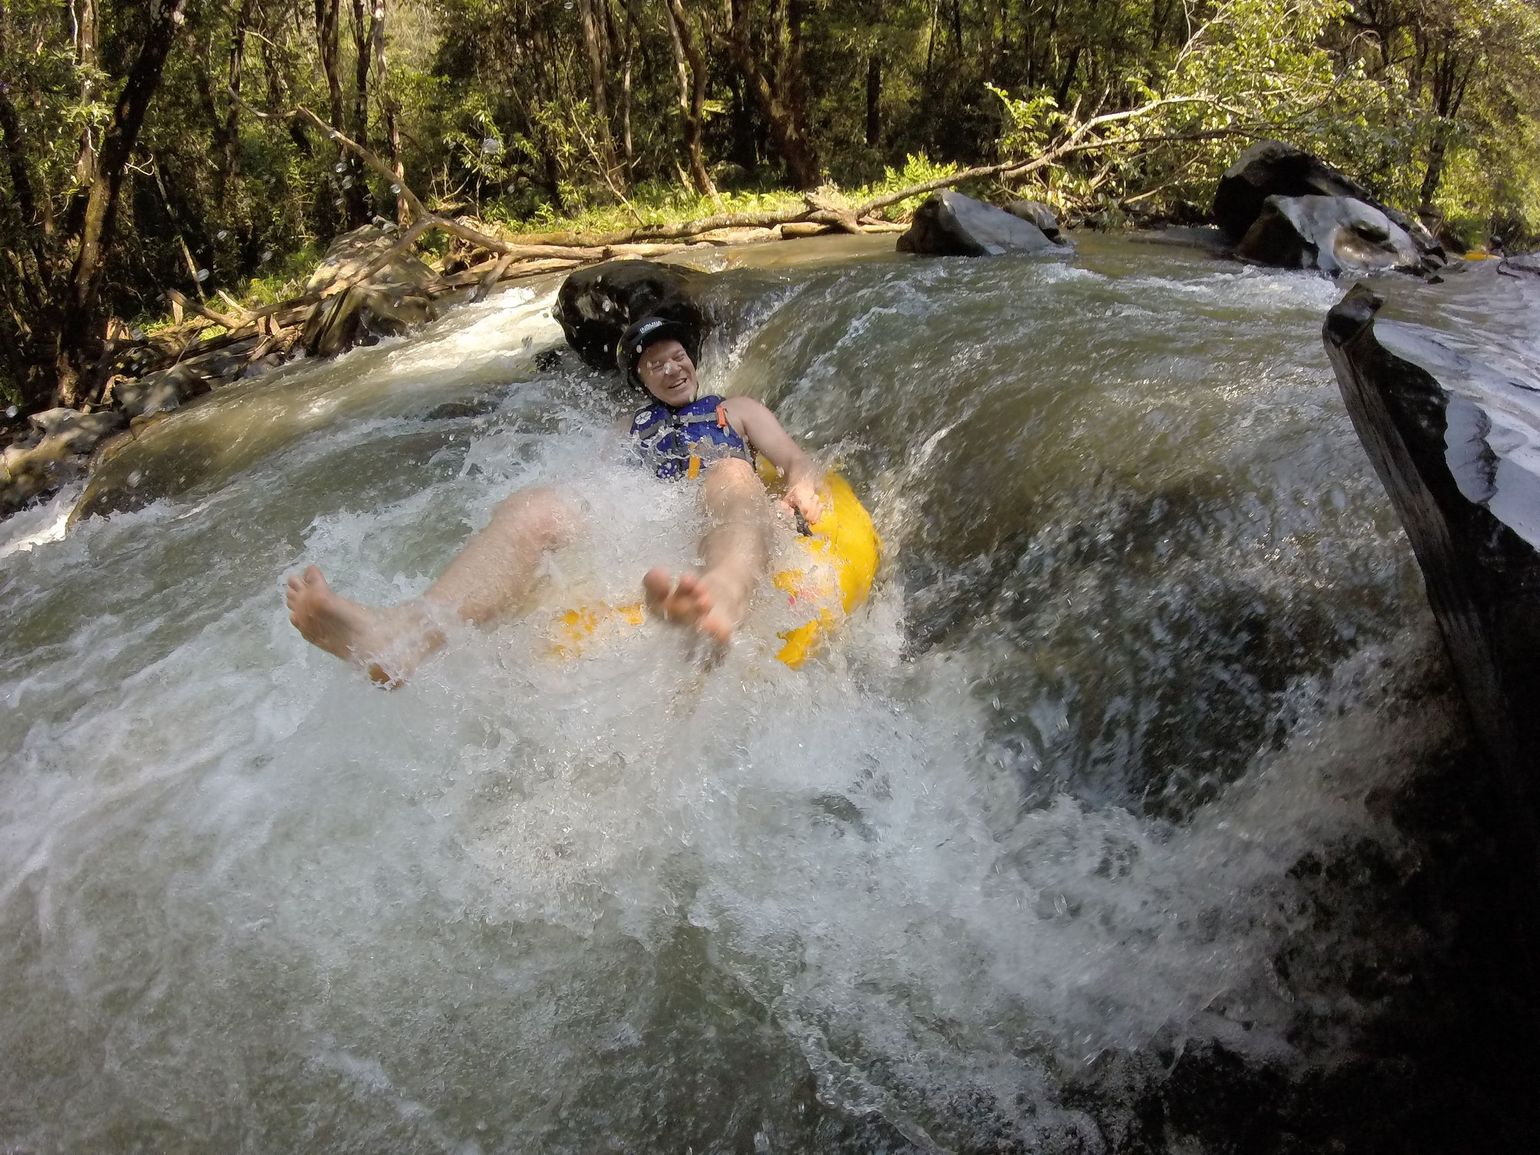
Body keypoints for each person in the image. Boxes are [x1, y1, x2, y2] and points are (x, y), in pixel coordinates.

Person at [286, 315, 825, 684]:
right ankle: (399, 640)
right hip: (647, 516)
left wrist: (801, 485)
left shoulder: (739, 409)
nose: (671, 368)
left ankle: (720, 596)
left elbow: (794, 461)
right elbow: (593, 490)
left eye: (677, 356)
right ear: (641, 379)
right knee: (536, 503)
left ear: (694, 361)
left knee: (729, 472)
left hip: (719, 506)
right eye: (655, 364)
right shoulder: (627, 426)